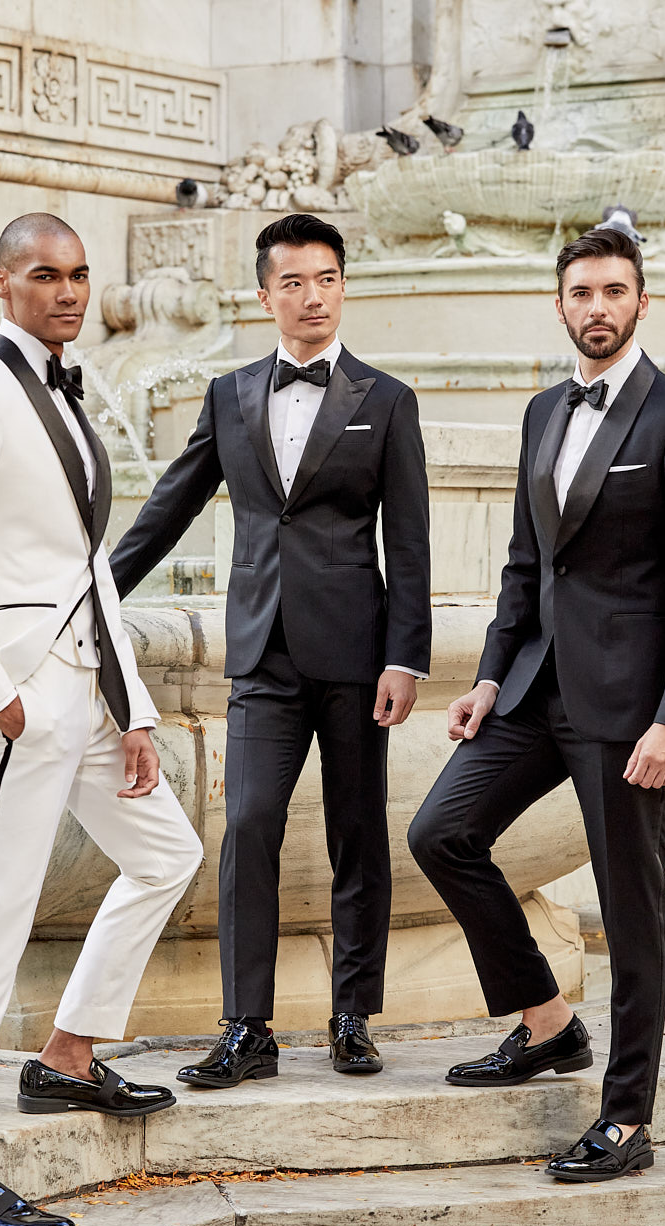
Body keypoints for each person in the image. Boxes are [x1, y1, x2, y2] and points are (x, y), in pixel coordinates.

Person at [0, 213, 203, 1226]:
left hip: (87, 694)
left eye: (77, 276)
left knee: (167, 850)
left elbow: (85, 573)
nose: (66, 292)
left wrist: (136, 707)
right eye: (43, 275)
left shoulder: (62, 393)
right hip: (21, 699)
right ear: (1, 283)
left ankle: (67, 1055)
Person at [408, 227, 665, 1183]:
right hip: (531, 691)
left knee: (633, 909)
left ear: (642, 304)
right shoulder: (541, 412)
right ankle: (548, 1023)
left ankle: (626, 1118)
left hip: (629, 711)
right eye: (581, 292)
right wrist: (483, 677)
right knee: (440, 833)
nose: (596, 306)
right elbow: (527, 566)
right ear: (560, 306)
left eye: (613, 291)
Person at [111, 213, 431, 1086]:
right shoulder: (230, 395)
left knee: (357, 835)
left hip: (358, 657)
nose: (311, 296)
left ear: (342, 286)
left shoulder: (387, 400)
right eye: (292, 282)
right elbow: (169, 508)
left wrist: (406, 657)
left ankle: (352, 1016)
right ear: (265, 296)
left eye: (324, 278)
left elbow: (408, 544)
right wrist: (95, 594)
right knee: (247, 826)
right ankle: (246, 1028)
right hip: (260, 656)